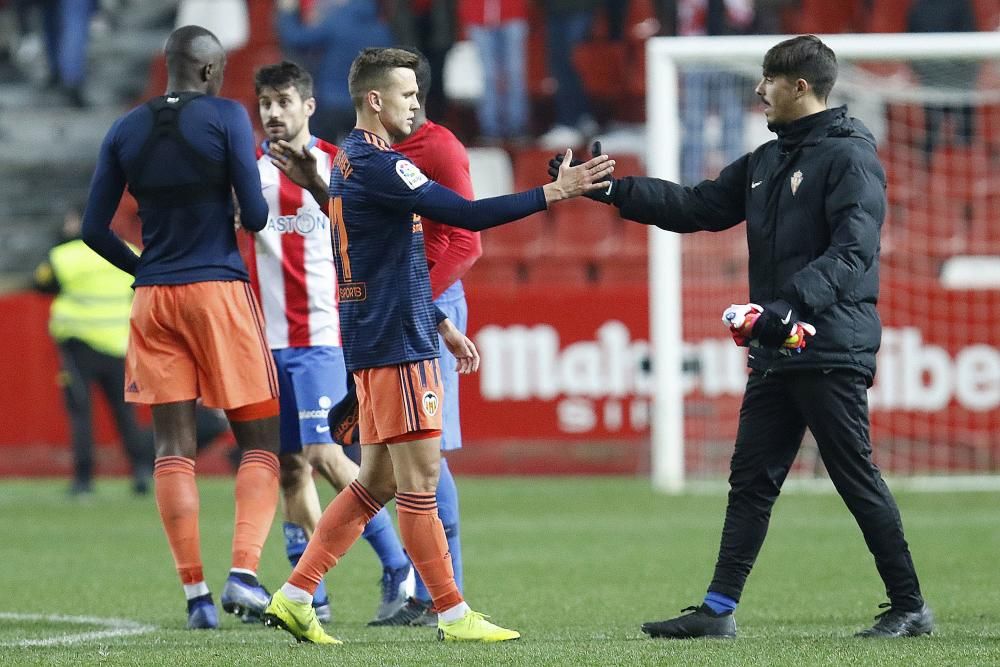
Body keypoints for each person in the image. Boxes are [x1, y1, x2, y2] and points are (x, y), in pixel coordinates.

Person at [551, 35, 934, 639]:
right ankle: (718, 610)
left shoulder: (851, 158)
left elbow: (854, 251)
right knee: (751, 478)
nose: (759, 91)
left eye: (768, 81)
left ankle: (910, 606)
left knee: (852, 475)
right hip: (778, 346)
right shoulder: (768, 159)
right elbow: (694, 205)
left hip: (828, 344)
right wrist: (610, 189)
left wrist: (788, 307)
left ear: (799, 86)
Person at [259, 46, 613, 644]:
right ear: (375, 100)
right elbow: (466, 217)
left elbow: (385, 258)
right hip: (397, 345)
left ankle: (296, 595)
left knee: (376, 483)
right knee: (417, 484)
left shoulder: (347, 161)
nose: (417, 104)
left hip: (382, 336)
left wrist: (441, 324)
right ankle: (452, 612)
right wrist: (555, 193)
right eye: (408, 95)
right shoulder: (381, 164)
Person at [81, 25, 282, 631]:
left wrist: (145, 269)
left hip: (153, 298)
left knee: (174, 447)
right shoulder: (225, 116)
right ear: (208, 70)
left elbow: (94, 229)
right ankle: (243, 575)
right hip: (217, 289)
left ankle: (195, 597)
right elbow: (255, 214)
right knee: (260, 441)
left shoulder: (125, 127)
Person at [247, 60, 414, 625]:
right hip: (270, 340)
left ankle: (399, 567)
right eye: (265, 103)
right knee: (291, 467)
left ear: (308, 106)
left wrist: (309, 181)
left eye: (284, 101)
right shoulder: (249, 174)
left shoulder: (336, 163)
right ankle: (310, 597)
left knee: (325, 455)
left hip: (322, 335)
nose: (273, 113)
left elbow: (361, 225)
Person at [370, 47, 480, 627]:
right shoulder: (374, 150)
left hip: (430, 305)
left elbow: (467, 240)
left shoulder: (439, 148)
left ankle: (443, 595)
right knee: (384, 451)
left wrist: (417, 299)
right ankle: (421, 586)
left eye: (412, 93)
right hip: (388, 309)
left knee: (427, 452)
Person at [33, 203, 154, 497]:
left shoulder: (64, 255)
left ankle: (84, 479)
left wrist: (63, 240)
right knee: (125, 413)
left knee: (80, 412)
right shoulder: (126, 249)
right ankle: (140, 472)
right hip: (118, 343)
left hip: (79, 345)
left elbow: (41, 284)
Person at [275, 0, 393, 143]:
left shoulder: (337, 21)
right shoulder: (383, 31)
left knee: (323, 154)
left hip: (332, 105)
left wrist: (287, 12)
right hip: (366, 108)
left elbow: (296, 38)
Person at [906, 0, 980, 161]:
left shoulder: (959, 5)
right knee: (935, 129)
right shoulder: (920, 7)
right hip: (940, 76)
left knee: (959, 129)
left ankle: (960, 154)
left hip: (949, 76)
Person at [459, 0, 529, 143]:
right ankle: (490, 130)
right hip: (478, 15)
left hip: (512, 12)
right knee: (488, 76)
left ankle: (517, 127)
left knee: (514, 74)